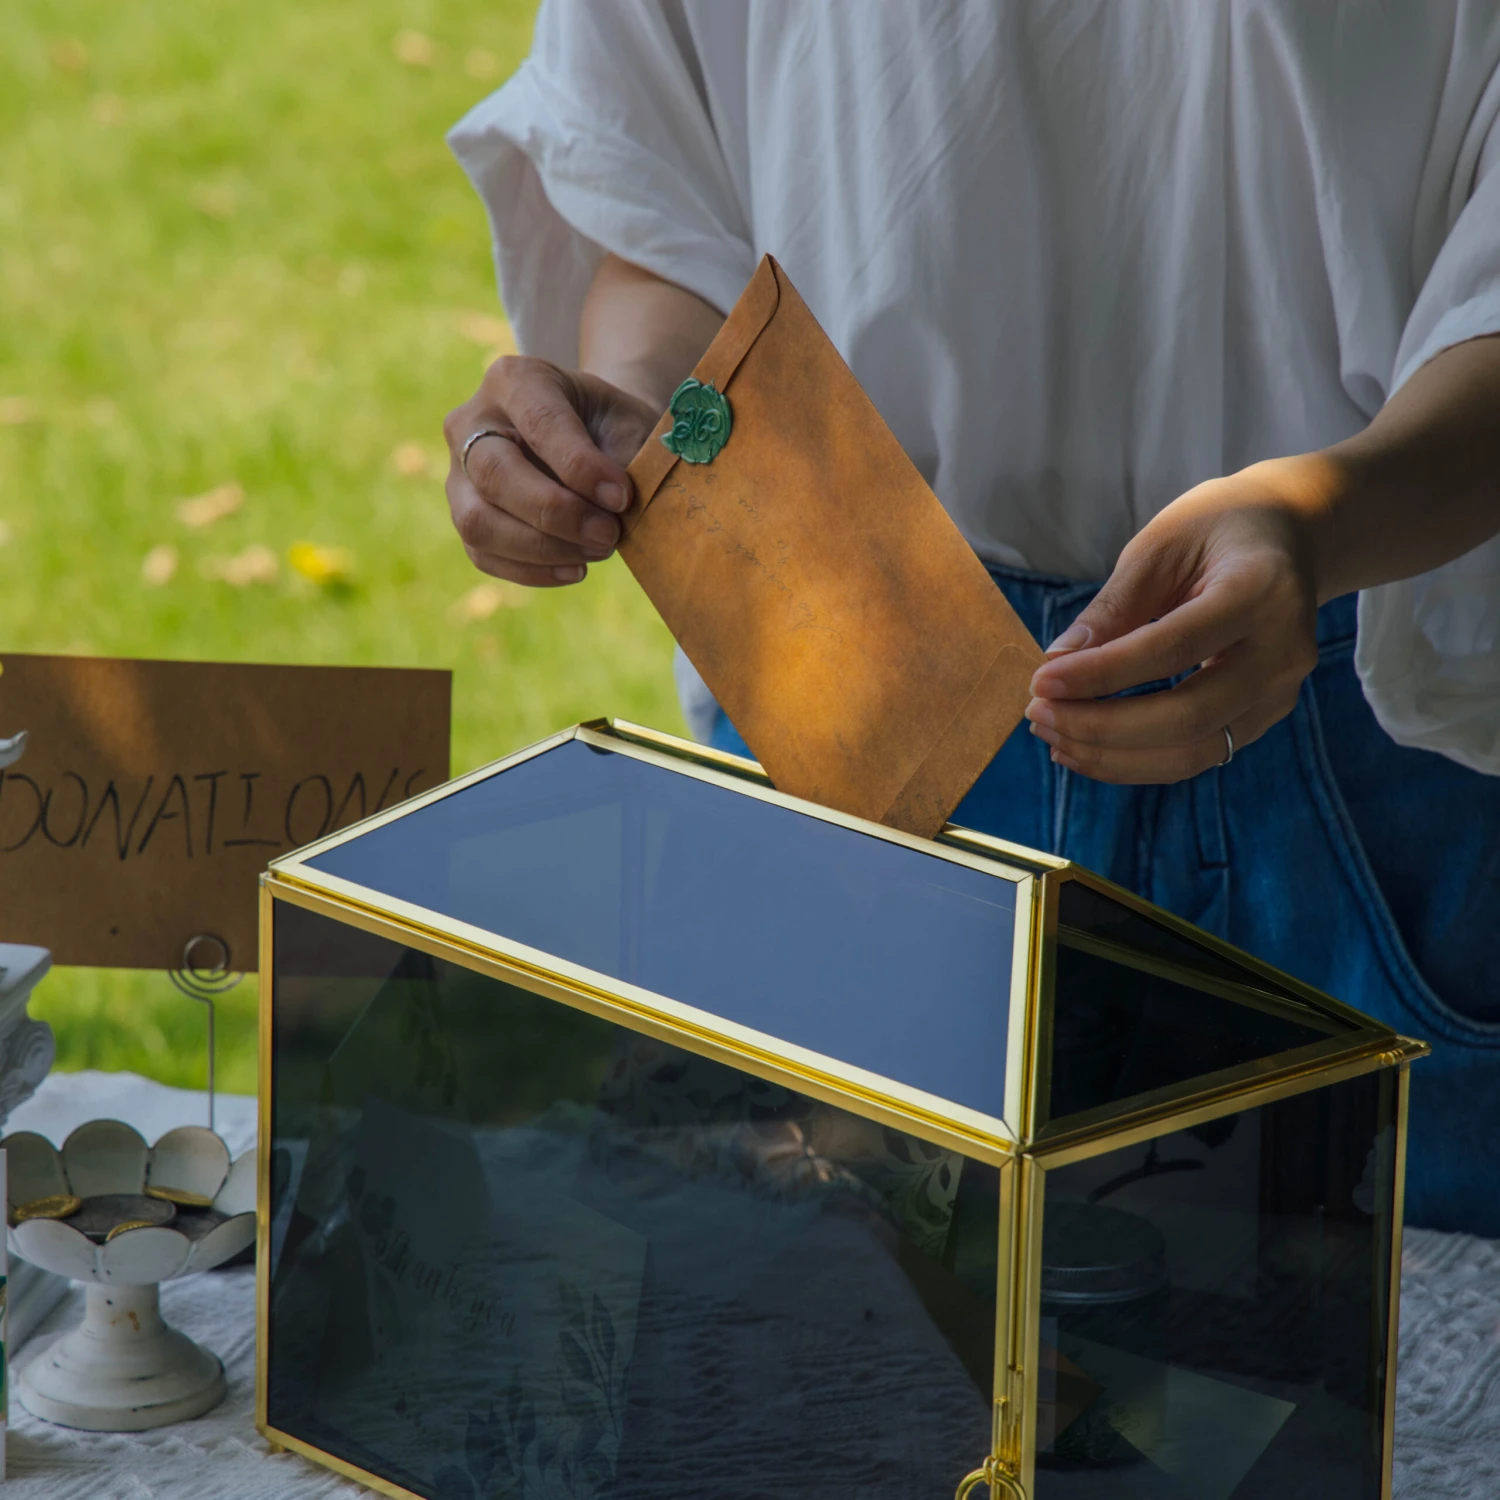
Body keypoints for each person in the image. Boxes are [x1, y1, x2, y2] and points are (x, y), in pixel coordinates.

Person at [441, 2, 1500, 1234]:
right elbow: (666, 199)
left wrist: (1322, 519)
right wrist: (649, 428)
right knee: (825, 1326)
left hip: (1359, 730)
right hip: (851, 667)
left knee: (1402, 1333)